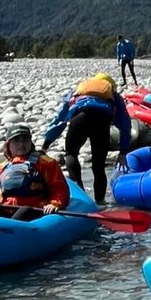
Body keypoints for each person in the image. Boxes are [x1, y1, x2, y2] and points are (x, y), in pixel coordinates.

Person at [39, 72, 134, 202]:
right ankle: (100, 203)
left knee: (71, 154)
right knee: (98, 166)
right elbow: (125, 124)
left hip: (80, 118)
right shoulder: (113, 95)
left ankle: (80, 194)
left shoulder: (77, 92)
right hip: (102, 120)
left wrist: (46, 145)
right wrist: (123, 151)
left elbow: (59, 119)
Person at [0, 125, 71, 213]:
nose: (21, 144)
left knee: (24, 211)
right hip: (5, 211)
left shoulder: (47, 164)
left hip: (35, 212)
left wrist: (54, 204)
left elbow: (60, 189)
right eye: (16, 141)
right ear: (8, 145)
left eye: (25, 139)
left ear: (30, 142)